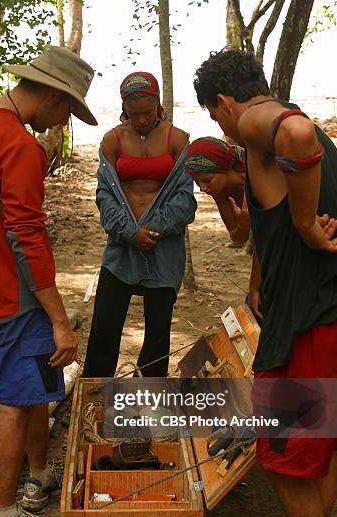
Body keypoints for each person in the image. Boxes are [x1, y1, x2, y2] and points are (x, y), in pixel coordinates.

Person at [193, 48, 337, 517]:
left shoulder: (266, 120)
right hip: (328, 314)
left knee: (281, 456)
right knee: (320, 449)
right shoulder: (269, 149)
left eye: (216, 116)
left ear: (227, 100)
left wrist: (307, 224)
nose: (222, 127)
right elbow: (263, 225)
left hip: (307, 324)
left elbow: (298, 131)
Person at [0, 45, 97, 517]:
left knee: (32, 386)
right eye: (67, 110)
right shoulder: (20, 146)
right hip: (13, 299)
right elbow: (26, 234)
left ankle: (39, 470)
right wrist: (59, 318)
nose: (62, 120)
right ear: (53, 97)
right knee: (15, 400)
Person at [82, 71, 196, 378]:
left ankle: (150, 401)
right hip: (122, 247)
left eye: (147, 112)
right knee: (104, 328)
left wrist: (154, 229)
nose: (142, 120)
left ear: (158, 104)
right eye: (134, 115)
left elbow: (185, 199)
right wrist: (129, 232)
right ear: (124, 110)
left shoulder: (179, 139)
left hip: (164, 248)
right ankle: (94, 398)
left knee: (157, 334)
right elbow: (105, 193)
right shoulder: (112, 140)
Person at [185, 136, 249, 247]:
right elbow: (237, 239)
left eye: (207, 180)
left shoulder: (256, 177)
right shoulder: (220, 191)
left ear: (224, 168)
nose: (202, 189)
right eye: (197, 182)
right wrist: (243, 226)